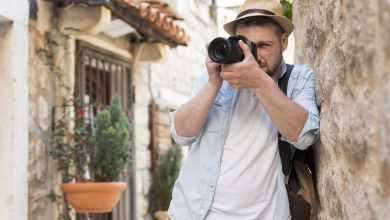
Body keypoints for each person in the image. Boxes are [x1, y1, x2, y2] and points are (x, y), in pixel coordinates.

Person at [168, 0, 320, 219]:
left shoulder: (299, 79)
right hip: (194, 213)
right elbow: (180, 134)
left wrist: (258, 82)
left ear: (284, 41)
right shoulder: (216, 80)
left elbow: (305, 136)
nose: (255, 56)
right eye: (248, 45)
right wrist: (213, 84)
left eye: (264, 45)